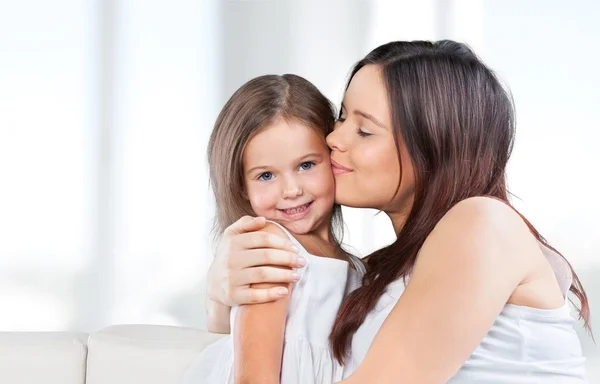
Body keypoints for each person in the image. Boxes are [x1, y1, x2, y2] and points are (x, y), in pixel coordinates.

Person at [205, 40, 590, 383]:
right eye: (341, 117)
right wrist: (222, 290)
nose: (333, 139)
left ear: (433, 150)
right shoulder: (372, 276)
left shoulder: (483, 224)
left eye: (364, 131)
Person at [182, 74, 365, 384]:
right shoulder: (271, 251)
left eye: (306, 165)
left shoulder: (357, 268)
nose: (291, 190)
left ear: (333, 158)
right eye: (266, 175)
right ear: (241, 188)